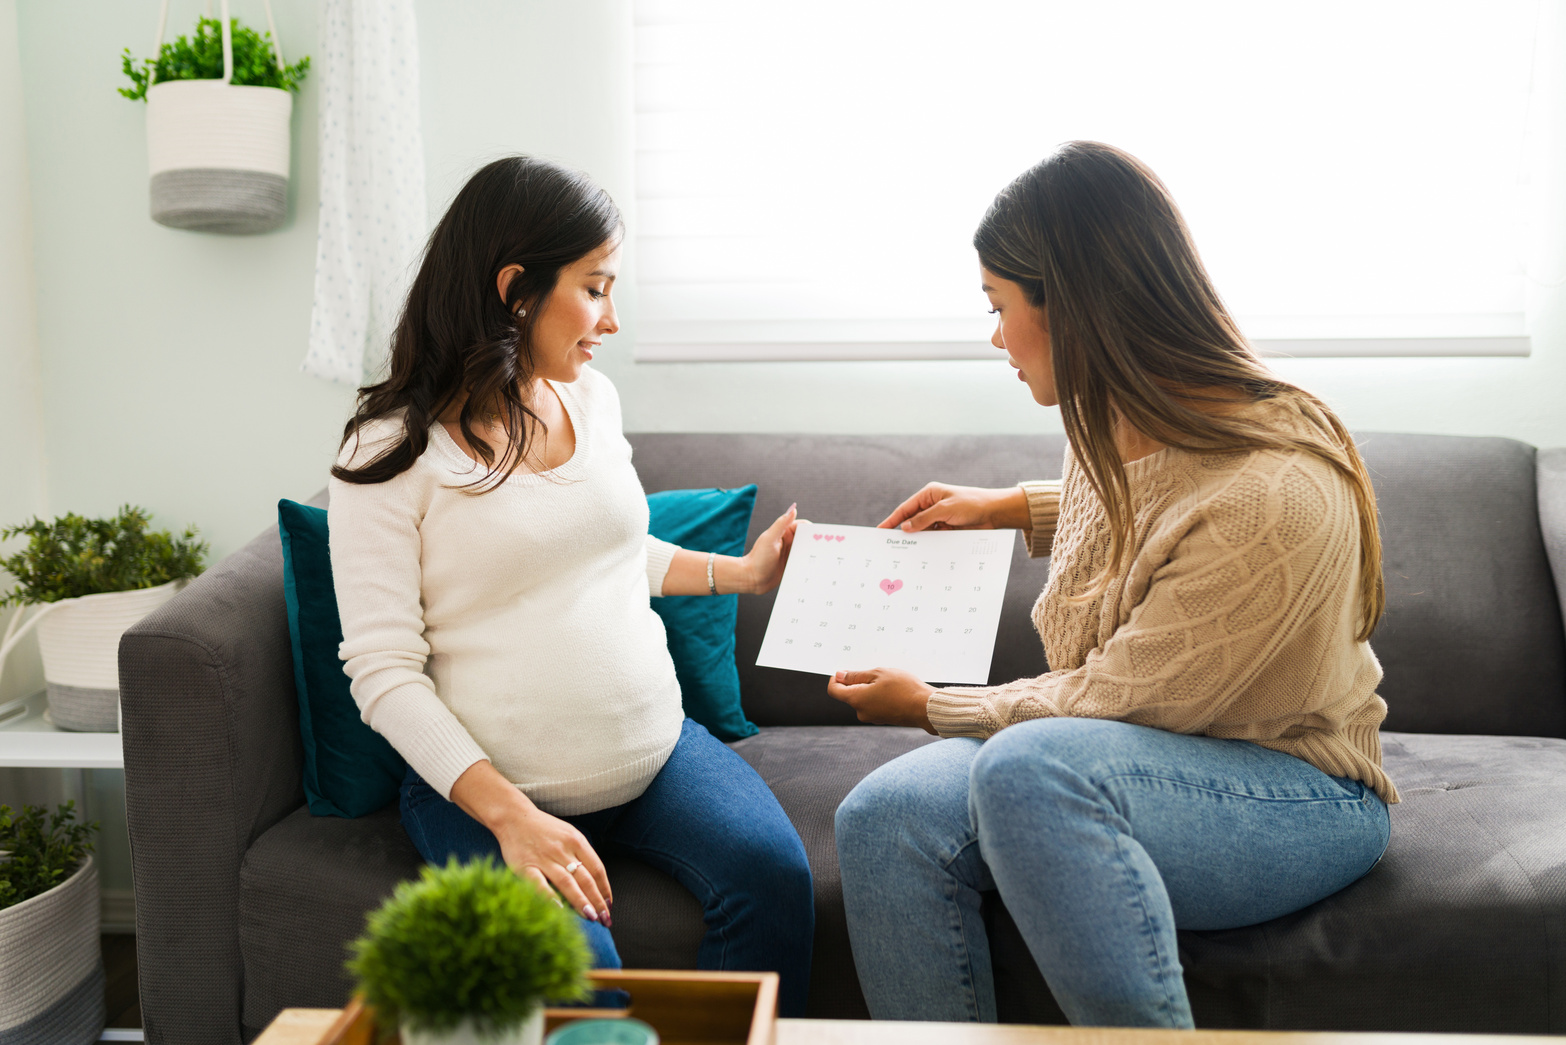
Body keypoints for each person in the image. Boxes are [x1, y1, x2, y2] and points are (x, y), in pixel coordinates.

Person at [827, 141, 1396, 1029]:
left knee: (1029, 766)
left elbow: (1120, 695)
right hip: (1137, 751)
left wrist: (933, 705)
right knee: (881, 816)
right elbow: (1160, 512)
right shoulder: (1117, 408)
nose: (993, 335)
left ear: (1074, 308)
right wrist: (1016, 507)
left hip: (1297, 785)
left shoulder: (1277, 495)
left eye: (999, 306)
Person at [327, 155, 814, 1016]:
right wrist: (511, 817)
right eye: (595, 289)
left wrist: (739, 573)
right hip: (492, 789)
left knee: (775, 876)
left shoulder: (590, 399)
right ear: (516, 289)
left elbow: (611, 549)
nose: (611, 320)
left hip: (657, 751)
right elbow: (383, 673)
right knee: (581, 984)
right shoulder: (387, 452)